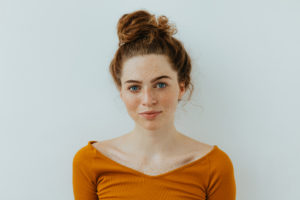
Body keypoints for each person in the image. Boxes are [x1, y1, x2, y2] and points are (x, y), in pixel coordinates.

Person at [72, 9, 236, 200]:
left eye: (160, 84)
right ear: (121, 91)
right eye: (134, 88)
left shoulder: (214, 166)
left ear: (181, 87)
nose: (148, 100)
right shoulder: (89, 162)